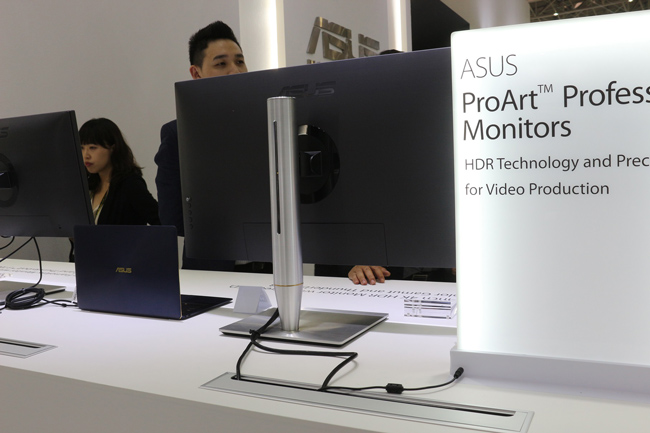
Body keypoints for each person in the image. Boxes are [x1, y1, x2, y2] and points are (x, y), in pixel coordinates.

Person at [154, 21, 252, 271]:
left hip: (269, 268)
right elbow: (171, 217)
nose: (235, 71)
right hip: (210, 270)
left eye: (240, 61)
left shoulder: (268, 124)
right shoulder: (178, 134)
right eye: (221, 64)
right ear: (196, 73)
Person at [80, 118, 160, 225]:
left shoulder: (130, 184)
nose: (86, 155)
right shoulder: (87, 185)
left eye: (92, 148)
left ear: (113, 148)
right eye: (82, 148)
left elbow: (160, 221)